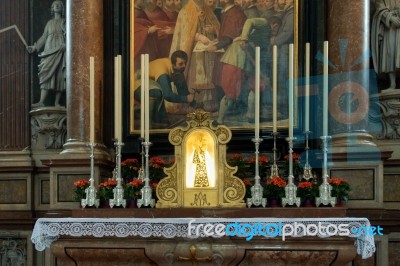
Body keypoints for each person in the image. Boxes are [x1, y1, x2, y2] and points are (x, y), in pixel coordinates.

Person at [170, 0, 221, 112]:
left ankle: (206, 102)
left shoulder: (208, 10)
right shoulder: (185, 12)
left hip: (208, 51)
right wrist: (198, 36)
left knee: (208, 75)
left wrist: (213, 30)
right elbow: (184, 33)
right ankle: (192, 103)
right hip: (193, 52)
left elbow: (218, 27)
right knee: (195, 76)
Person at [207, 0, 247, 124]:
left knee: (228, 81)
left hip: (233, 54)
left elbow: (229, 37)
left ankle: (227, 113)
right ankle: (222, 111)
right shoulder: (228, 12)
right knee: (219, 78)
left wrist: (215, 46)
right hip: (227, 52)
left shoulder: (234, 13)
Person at [134, 50, 195, 128]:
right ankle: (148, 123)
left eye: (185, 63)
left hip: (150, 85)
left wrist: (192, 103)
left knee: (164, 122)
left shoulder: (177, 69)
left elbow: (183, 92)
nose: (184, 66)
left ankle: (157, 120)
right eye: (181, 64)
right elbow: (167, 95)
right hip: (137, 85)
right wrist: (186, 98)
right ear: (173, 64)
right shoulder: (163, 72)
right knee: (156, 91)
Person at [27, 0, 66, 108]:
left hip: (60, 49)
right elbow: (44, 37)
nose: (56, 6)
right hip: (49, 49)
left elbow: (70, 35)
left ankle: (57, 103)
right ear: (52, 9)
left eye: (59, 5)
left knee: (59, 74)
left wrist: (66, 44)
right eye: (54, 5)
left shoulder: (65, 21)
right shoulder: (49, 23)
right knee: (45, 73)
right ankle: (41, 101)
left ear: (62, 9)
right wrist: (35, 47)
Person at [371, 0, 400, 91]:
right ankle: (392, 83)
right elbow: (379, 8)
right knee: (390, 53)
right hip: (390, 28)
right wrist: (390, 17)